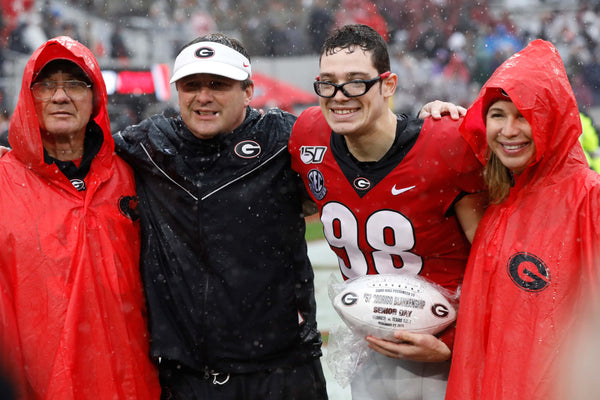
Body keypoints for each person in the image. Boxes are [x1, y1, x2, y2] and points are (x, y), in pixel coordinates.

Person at [113, 33, 328, 400]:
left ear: (248, 91)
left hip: (282, 371)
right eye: (191, 85)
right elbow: (67, 154)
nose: (203, 96)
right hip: (187, 378)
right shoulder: (148, 146)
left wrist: (429, 120)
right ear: (177, 91)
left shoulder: (285, 138)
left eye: (218, 84)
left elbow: (366, 151)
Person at [288, 24, 486, 400]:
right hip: (371, 346)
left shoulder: (445, 144)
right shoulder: (308, 136)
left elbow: (494, 256)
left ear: (388, 84)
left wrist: (456, 341)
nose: (340, 95)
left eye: (356, 81)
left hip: (452, 353)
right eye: (327, 83)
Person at [0, 36, 160, 399]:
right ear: (29, 97)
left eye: (75, 83)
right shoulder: (3, 181)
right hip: (35, 385)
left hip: (131, 382)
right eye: (46, 85)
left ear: (96, 97)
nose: (60, 96)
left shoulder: (135, 174)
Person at [444, 39, 600, 400]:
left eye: (525, 116)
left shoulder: (588, 199)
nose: (509, 130)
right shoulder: (499, 200)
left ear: (552, 121)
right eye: (498, 114)